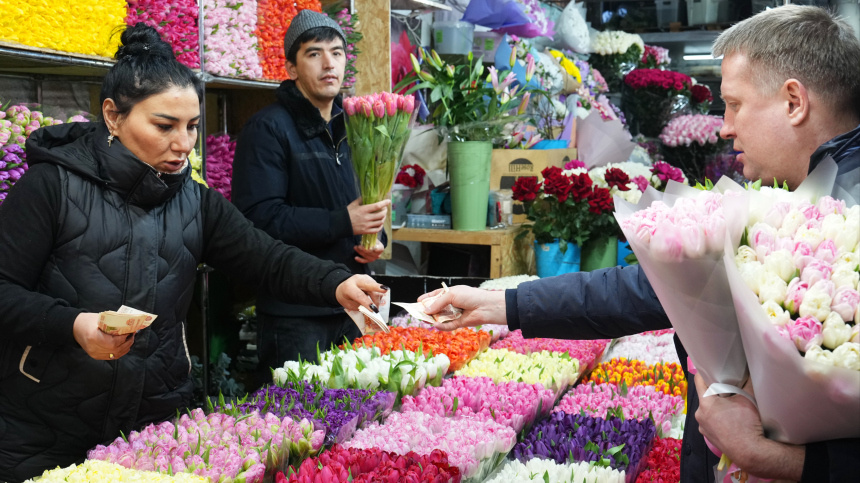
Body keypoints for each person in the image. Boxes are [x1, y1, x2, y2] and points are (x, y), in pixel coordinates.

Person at [421, 5, 860, 482]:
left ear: (794, 102)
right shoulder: (787, 198)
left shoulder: (846, 219)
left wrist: (774, 460)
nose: (725, 126)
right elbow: (646, 291)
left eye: (734, 104)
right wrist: (498, 304)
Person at [0, 24, 385, 483]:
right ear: (113, 116)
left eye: (193, 127)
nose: (184, 145)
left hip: (152, 432)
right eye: (164, 126)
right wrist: (74, 325)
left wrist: (335, 283)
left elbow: (265, 257)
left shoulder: (193, 200)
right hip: (46, 432)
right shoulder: (51, 187)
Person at [231, 10, 389, 380]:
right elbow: (259, 219)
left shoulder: (357, 130)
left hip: (353, 305)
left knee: (358, 420)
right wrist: (343, 221)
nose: (328, 63)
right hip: (296, 314)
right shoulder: (268, 129)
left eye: (336, 52)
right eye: (314, 53)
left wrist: (373, 240)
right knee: (301, 426)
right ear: (291, 67)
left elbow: (366, 205)